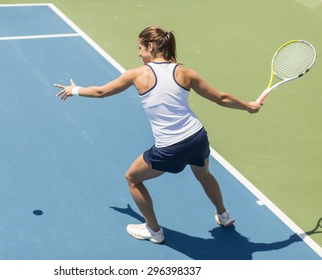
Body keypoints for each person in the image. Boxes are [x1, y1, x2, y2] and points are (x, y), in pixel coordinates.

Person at [54, 26, 261, 244]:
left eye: (140, 48)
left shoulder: (138, 74)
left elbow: (101, 92)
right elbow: (221, 98)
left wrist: (74, 90)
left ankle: (154, 231)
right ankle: (224, 215)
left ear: (151, 47)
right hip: (197, 137)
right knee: (204, 175)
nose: (139, 53)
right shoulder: (185, 72)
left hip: (171, 147)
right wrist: (247, 106)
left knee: (132, 179)